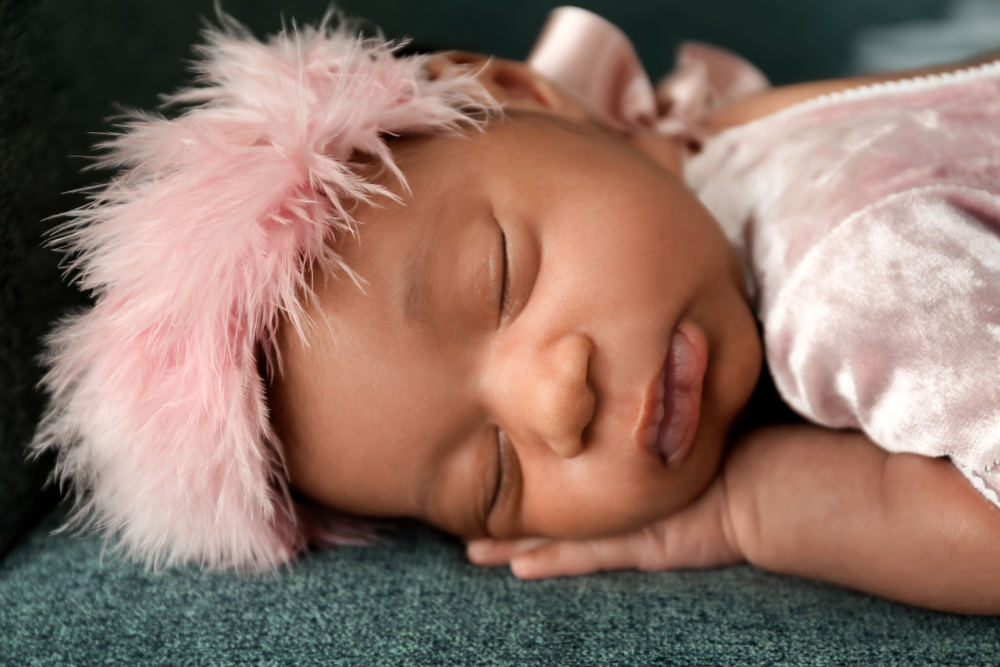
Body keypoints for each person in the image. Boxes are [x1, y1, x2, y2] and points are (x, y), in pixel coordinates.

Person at [31, 6, 1000, 614]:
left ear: (523, 90)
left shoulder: (852, 273)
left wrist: (757, 506)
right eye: (492, 476)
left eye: (499, 276)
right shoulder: (712, 156)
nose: (555, 402)